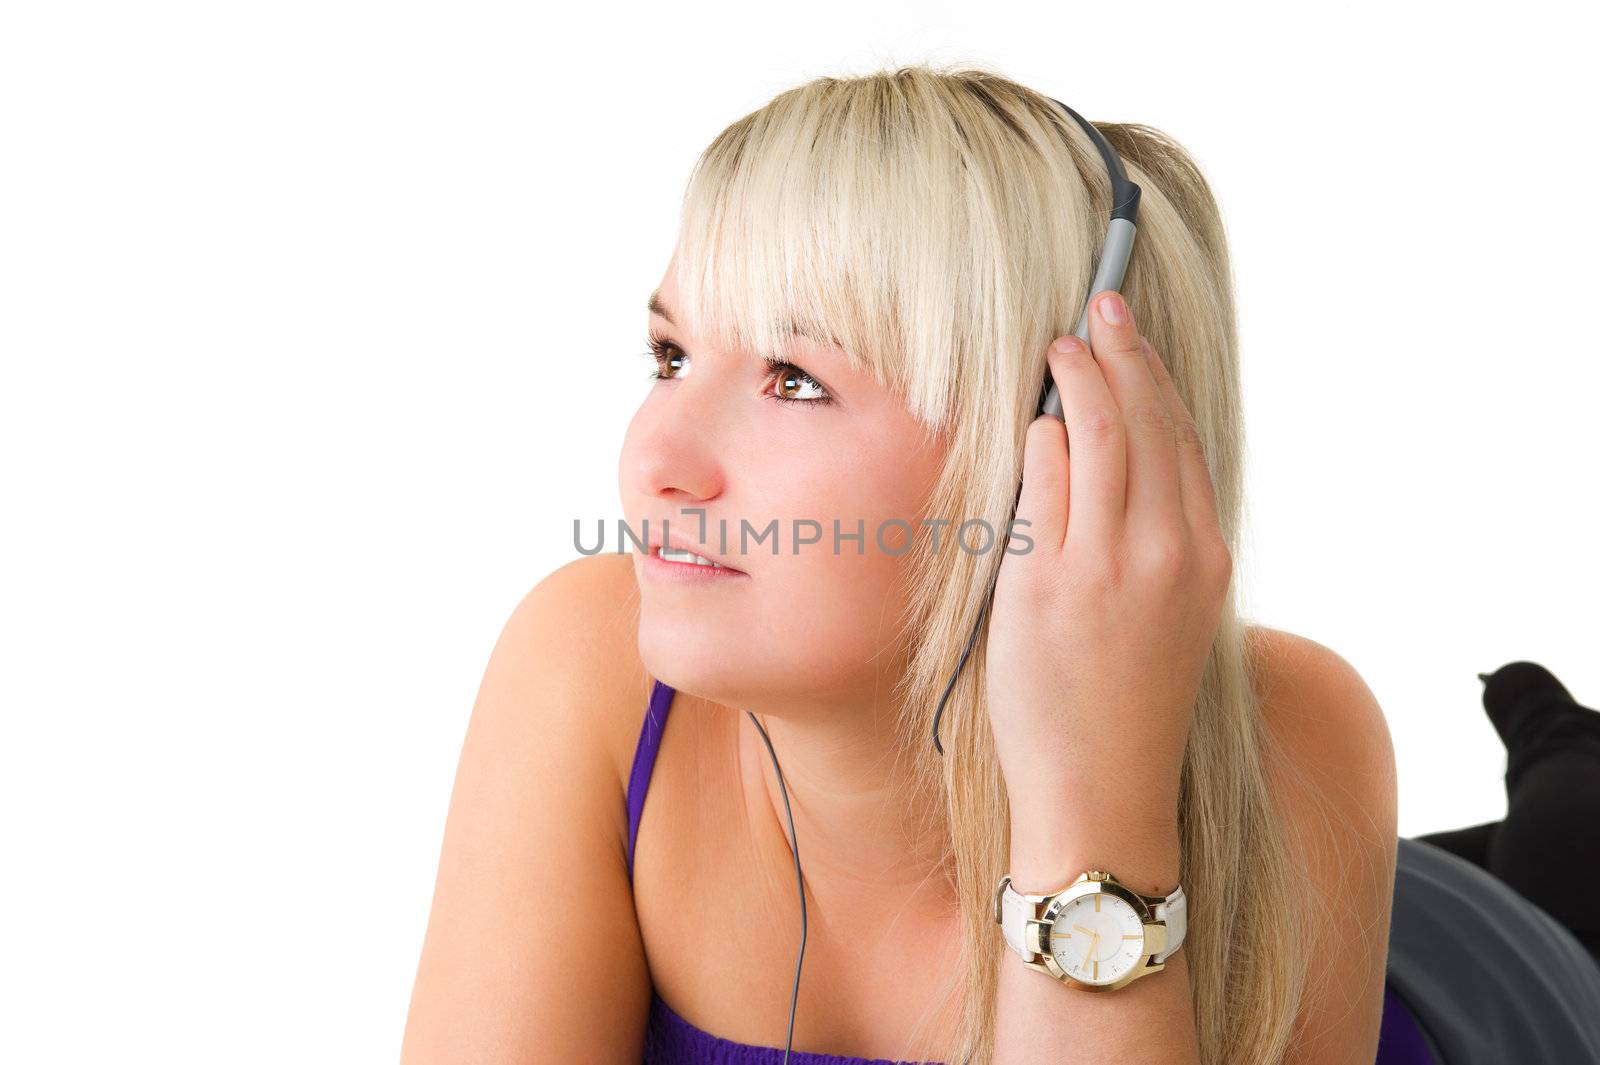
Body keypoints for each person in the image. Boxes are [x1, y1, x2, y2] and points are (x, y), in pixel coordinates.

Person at [399, 64, 1600, 1064]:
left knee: (1570, 850)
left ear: (1051, 442)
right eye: (669, 355)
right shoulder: (587, 659)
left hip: (1489, 987)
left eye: (795, 379)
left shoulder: (1292, 725)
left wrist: (1094, 798)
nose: (652, 460)